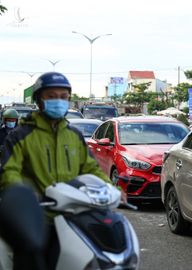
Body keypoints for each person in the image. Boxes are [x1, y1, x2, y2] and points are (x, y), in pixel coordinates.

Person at [0, 71, 125, 269]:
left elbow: (92, 168)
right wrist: (25, 196)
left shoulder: (74, 136)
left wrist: (112, 189)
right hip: (37, 216)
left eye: (63, 97)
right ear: (39, 100)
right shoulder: (21, 135)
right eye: (51, 96)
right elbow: (9, 172)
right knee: (32, 256)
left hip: (73, 215)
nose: (58, 101)